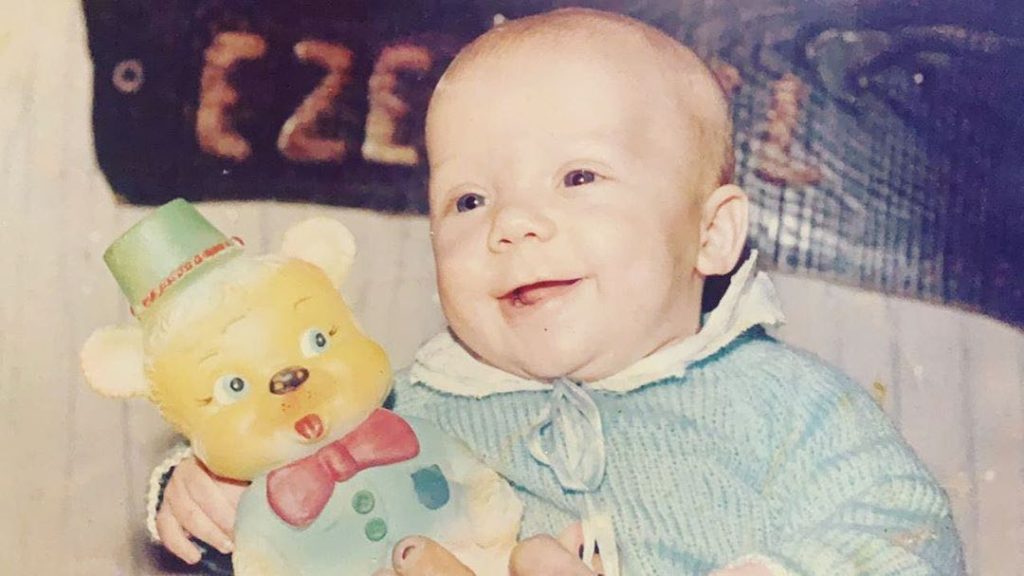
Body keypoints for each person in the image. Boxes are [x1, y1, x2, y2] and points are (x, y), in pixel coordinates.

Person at [151, 8, 965, 575]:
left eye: (578, 177)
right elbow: (293, 488)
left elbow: (910, 536)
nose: (513, 224)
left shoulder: (790, 408)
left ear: (711, 234)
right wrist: (209, 489)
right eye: (470, 200)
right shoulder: (402, 412)